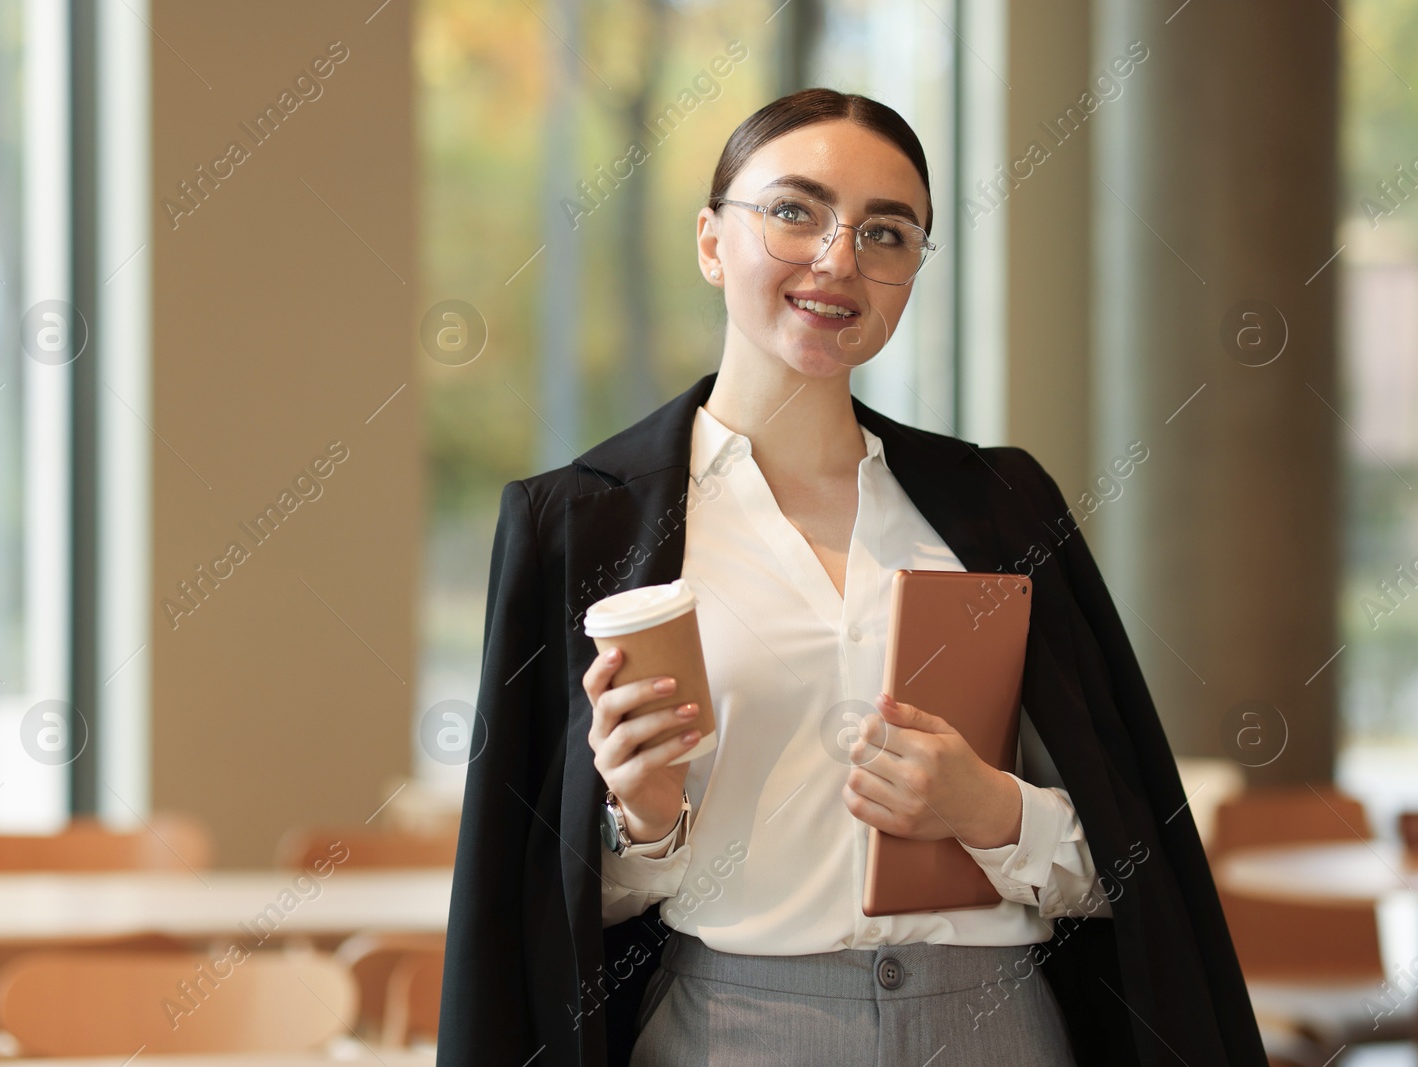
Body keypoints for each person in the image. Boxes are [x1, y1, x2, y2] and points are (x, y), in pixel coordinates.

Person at [437, 88, 1264, 1067]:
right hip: (730, 1028)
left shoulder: (1001, 503)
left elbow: (1131, 863)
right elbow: (534, 911)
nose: (838, 260)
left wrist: (990, 810)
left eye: (887, 231)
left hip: (994, 1026)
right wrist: (644, 819)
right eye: (794, 210)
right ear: (711, 242)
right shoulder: (575, 523)